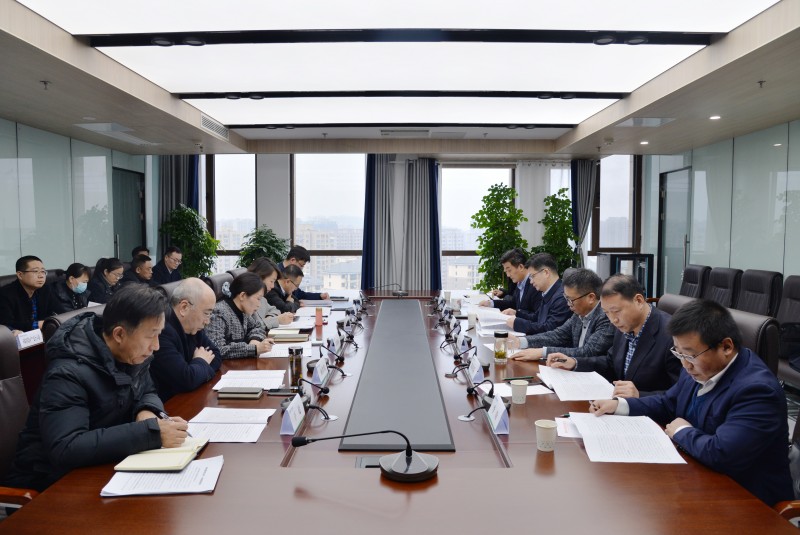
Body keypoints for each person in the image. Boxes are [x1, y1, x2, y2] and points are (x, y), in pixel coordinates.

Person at [591, 299, 793, 506]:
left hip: (747, 500)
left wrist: (681, 432)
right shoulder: (697, 366)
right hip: (699, 476)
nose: (685, 364)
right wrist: (620, 405)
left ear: (726, 346)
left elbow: (722, 454)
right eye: (678, 353)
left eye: (690, 355)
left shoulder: (757, 391)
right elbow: (668, 403)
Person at [1, 285, 188, 492]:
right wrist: (151, 433)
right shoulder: (67, 373)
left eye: (159, 335)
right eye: (151, 336)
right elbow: (66, 448)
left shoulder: (132, 354)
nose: (156, 346)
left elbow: (147, 390)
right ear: (119, 334)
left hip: (100, 468)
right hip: (47, 483)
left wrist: (146, 411)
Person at [549, 274, 681, 398]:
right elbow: (610, 362)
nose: (613, 320)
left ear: (639, 301)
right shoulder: (624, 324)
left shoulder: (673, 336)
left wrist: (639, 395)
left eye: (616, 311)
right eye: (607, 312)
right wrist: (575, 363)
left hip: (650, 411)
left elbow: (682, 393)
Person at [509, 268, 615, 361]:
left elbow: (588, 352)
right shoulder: (578, 314)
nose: (568, 304)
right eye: (566, 299)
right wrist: (521, 341)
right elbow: (558, 335)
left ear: (591, 298)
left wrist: (542, 352)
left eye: (571, 300)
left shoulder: (606, 317)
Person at [150, 278, 221, 401]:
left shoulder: (194, 327)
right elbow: (186, 380)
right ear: (184, 307)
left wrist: (196, 370)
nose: (207, 321)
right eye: (206, 313)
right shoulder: (162, 331)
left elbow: (216, 355)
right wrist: (201, 361)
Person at [206, 272, 274, 359]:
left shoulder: (243, 310)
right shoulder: (218, 312)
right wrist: (254, 349)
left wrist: (255, 339)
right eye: (258, 299)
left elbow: (257, 326)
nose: (259, 304)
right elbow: (218, 349)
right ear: (242, 296)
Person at [504, 253, 571, 335]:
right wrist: (516, 313)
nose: (531, 281)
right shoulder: (549, 292)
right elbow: (536, 317)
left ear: (546, 272)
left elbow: (549, 330)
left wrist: (518, 324)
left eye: (533, 276)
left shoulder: (562, 297)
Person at [0, 255, 54, 335]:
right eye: (35, 271)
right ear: (20, 275)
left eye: (43, 271)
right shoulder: (5, 294)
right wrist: (37, 325)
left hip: (44, 335)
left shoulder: (45, 289)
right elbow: (6, 324)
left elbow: (57, 312)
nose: (41, 276)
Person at [478, 248, 541, 316]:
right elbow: (513, 304)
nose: (508, 275)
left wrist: (516, 313)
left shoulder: (535, 284)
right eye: (506, 272)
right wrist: (490, 303)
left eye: (509, 270)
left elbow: (537, 316)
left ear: (521, 267)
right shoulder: (520, 282)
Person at [247, 257, 294, 330]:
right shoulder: (246, 298)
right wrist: (276, 320)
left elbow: (275, 310)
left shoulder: (262, 298)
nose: (272, 286)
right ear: (259, 277)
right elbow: (252, 327)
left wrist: (269, 318)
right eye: (271, 281)